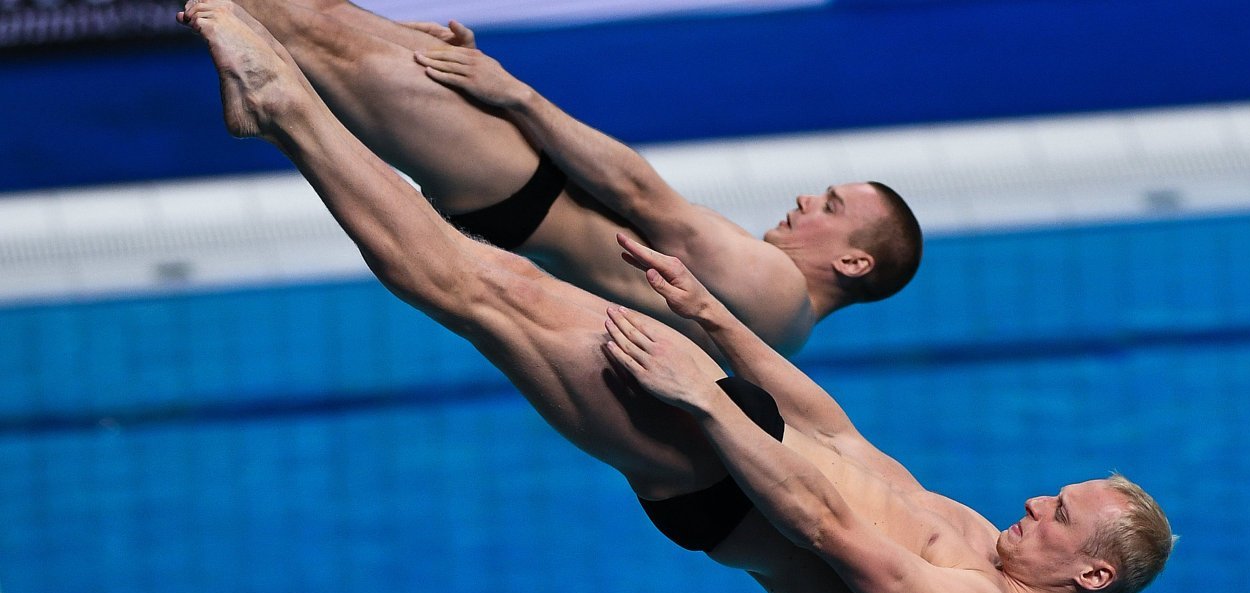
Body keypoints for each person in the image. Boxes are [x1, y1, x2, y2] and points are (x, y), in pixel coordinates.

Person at [179, 2, 1175, 593]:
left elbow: (824, 527)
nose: (1034, 502)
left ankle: (284, 111)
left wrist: (700, 400)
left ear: (1087, 575)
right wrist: (711, 319)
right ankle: (284, 102)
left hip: (717, 471)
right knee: (494, 286)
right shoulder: (970, 535)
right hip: (734, 420)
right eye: (1054, 492)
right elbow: (836, 433)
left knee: (479, 293)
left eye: (1057, 513)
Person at [211, 0, 923, 356]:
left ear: (854, 260)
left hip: (514, 179)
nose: (806, 198)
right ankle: (266, 102)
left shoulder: (773, 284)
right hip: (512, 203)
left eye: (830, 204)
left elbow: (641, 195)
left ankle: (267, 103)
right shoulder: (778, 333)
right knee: (314, 19)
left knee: (306, 26)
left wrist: (511, 91)